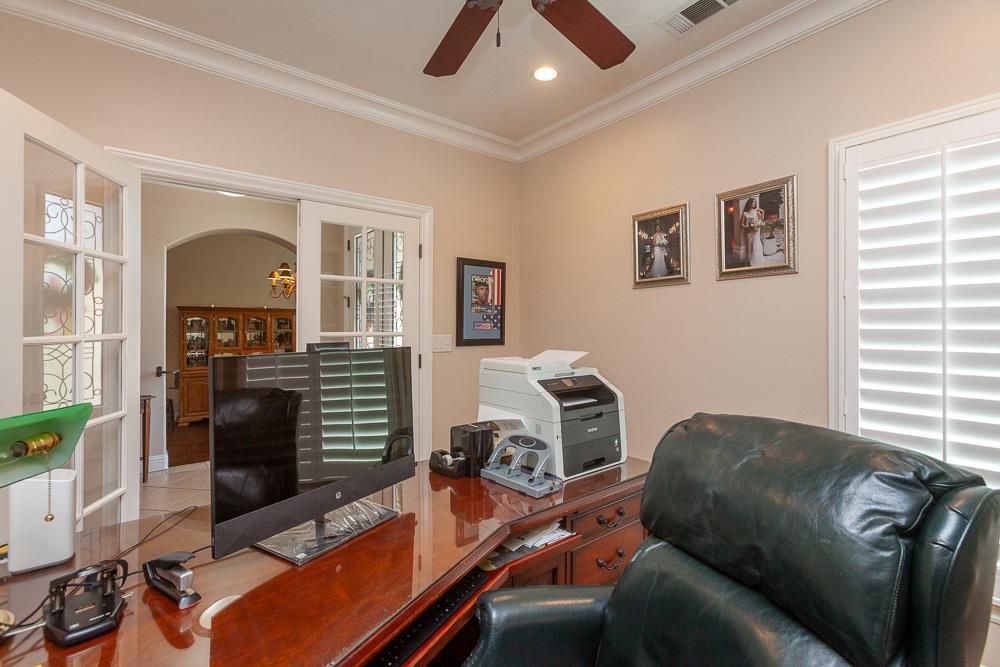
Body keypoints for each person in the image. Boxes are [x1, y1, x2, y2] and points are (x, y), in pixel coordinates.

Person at [740, 198, 766, 266]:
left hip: (756, 231)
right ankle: (748, 261)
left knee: (756, 245)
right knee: (749, 246)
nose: (754, 204)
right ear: (749, 203)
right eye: (753, 202)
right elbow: (742, 224)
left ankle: (756, 261)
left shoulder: (757, 211)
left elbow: (762, 219)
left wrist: (762, 212)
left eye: (755, 202)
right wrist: (747, 227)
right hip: (749, 232)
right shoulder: (745, 213)